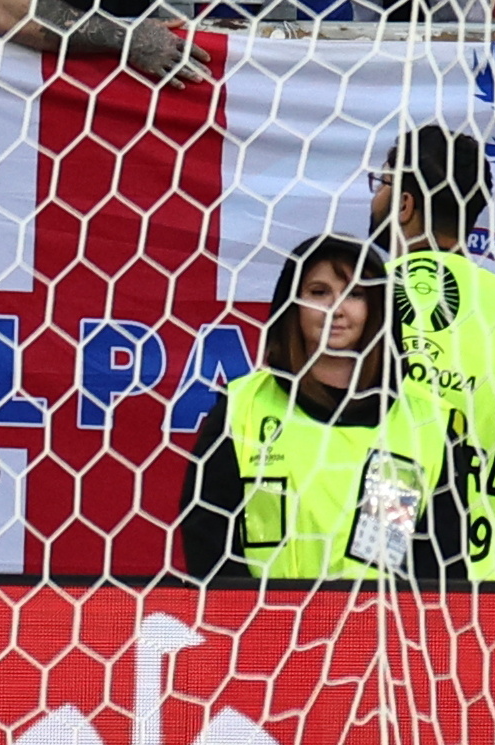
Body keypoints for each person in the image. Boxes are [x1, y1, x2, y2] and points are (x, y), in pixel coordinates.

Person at [185, 234, 466, 584]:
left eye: (355, 294)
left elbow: (442, 567)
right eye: (319, 292)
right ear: (294, 304)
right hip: (264, 630)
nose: (338, 307)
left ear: (376, 307)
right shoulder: (242, 408)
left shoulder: (426, 424)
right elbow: (207, 544)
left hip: (380, 633)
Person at [378, 127, 495, 588]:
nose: (374, 196)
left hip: (379, 575)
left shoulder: (364, 296)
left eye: (380, 182)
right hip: (488, 583)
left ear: (405, 204)